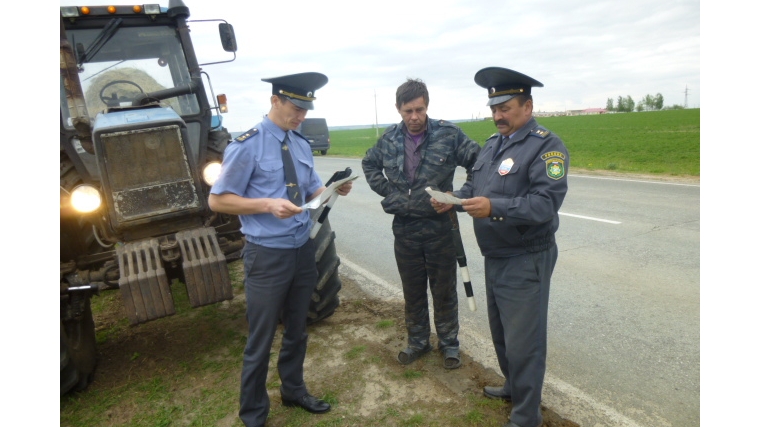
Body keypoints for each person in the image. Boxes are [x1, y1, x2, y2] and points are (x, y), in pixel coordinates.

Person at [208, 72, 353, 427]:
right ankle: (254, 413)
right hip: (267, 255)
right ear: (275, 101)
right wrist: (267, 205)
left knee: (297, 329)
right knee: (260, 338)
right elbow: (218, 201)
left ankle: (293, 389)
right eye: (295, 107)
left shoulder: (301, 144)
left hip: (301, 250)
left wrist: (333, 189)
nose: (301, 115)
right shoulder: (247, 145)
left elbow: (309, 192)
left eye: (306, 109)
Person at [432, 67, 569, 427]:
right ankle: (513, 386)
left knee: (525, 340)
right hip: (496, 255)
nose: (497, 116)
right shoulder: (493, 146)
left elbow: (544, 205)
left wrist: (496, 208)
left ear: (527, 106)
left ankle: (527, 416)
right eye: (494, 108)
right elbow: (474, 185)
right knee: (503, 332)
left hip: (527, 256)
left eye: (505, 108)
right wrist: (453, 199)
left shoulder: (546, 146)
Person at [361, 78, 481, 369]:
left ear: (427, 105)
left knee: (443, 290)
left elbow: (479, 163)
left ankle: (450, 344)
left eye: (420, 109)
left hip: (440, 228)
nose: (415, 117)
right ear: (398, 109)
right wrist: (391, 192)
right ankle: (418, 341)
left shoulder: (448, 135)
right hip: (405, 229)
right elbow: (369, 164)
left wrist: (458, 196)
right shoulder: (389, 139)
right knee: (412, 289)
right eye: (408, 111)